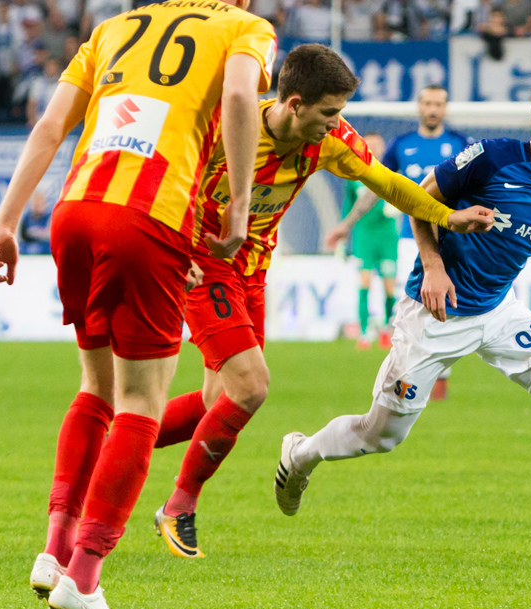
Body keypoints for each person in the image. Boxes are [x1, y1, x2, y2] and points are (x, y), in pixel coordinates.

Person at [0, 0, 277, 609]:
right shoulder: (246, 27)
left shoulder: (115, 26)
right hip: (150, 219)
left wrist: (3, 222)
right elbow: (240, 96)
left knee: (95, 388)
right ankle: (85, 573)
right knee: (142, 401)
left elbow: (51, 124)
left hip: (75, 211)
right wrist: (237, 200)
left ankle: (53, 552)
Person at [149, 46, 492, 559]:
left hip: (252, 267)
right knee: (250, 388)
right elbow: (164, 179)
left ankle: (118, 439)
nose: (338, 123)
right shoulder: (228, 126)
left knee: (214, 400)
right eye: (329, 113)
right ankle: (179, 504)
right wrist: (174, 248)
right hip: (203, 260)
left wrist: (448, 218)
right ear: (293, 104)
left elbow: (389, 184)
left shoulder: (331, 141)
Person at [274, 84, 531, 559]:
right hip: (435, 312)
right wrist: (434, 266)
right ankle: (300, 455)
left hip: (499, 311)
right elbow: (420, 199)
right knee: (380, 435)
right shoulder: (489, 159)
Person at [380, 84, 470, 396]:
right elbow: (379, 185)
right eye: (428, 103)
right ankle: (402, 379)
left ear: (445, 108)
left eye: (439, 104)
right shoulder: (401, 145)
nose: (433, 109)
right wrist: (348, 223)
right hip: (411, 240)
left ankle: (439, 385)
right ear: (419, 106)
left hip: (449, 239)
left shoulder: (460, 144)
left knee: (443, 307)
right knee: (409, 309)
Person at [326, 131, 404, 349]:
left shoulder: (391, 174)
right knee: (364, 281)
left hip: (387, 234)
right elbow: (348, 208)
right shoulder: (354, 176)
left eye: (378, 146)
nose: (375, 150)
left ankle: (388, 329)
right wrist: (343, 240)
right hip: (363, 234)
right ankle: (364, 331)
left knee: (390, 284)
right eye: (370, 145)